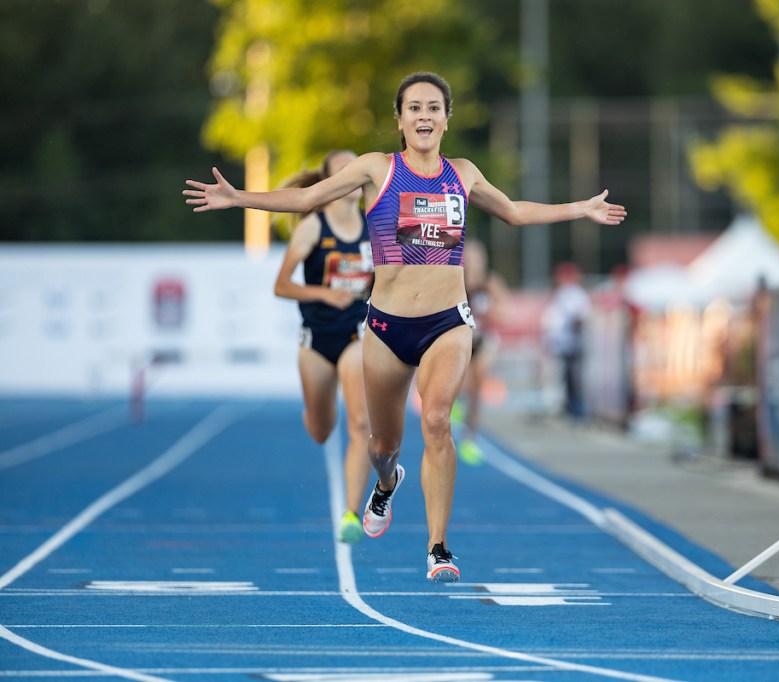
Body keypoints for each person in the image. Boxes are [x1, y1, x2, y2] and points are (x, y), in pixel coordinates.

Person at [185, 71, 626, 583]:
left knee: (436, 420)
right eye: (414, 108)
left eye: (433, 107)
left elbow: (513, 212)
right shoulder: (377, 169)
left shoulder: (463, 174)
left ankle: (438, 547)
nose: (424, 116)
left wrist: (581, 208)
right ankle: (386, 483)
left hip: (448, 321)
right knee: (382, 446)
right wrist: (239, 198)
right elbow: (307, 200)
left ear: (446, 119)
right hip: (387, 327)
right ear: (399, 120)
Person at [272, 150, 373, 544]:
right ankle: (315, 413)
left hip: (355, 334)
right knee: (321, 431)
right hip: (315, 341)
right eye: (344, 169)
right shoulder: (313, 227)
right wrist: (325, 294)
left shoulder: (374, 225)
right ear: (330, 181)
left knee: (360, 424)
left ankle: (351, 513)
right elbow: (281, 286)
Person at [453, 238, 508, 465]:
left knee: (476, 390)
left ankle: (469, 438)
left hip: (483, 339)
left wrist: (493, 311)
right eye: (470, 257)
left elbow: (506, 310)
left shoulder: (490, 282)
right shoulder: (456, 278)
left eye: (477, 258)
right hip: (461, 339)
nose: (474, 262)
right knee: (462, 385)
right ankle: (457, 403)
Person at [543, 262, 591, 420]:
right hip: (565, 342)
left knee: (573, 378)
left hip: (571, 343)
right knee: (566, 378)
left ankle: (575, 409)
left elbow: (578, 317)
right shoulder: (565, 293)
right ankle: (569, 407)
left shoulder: (573, 293)